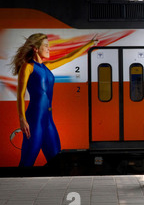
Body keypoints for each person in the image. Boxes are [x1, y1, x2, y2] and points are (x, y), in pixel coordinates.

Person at [10, 33, 97, 167]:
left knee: (57, 160)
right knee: (27, 162)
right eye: (46, 46)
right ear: (36, 48)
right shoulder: (27, 67)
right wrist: (22, 119)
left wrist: (89, 44)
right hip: (34, 120)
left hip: (48, 120)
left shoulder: (47, 67)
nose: (49, 49)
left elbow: (69, 57)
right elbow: (20, 95)